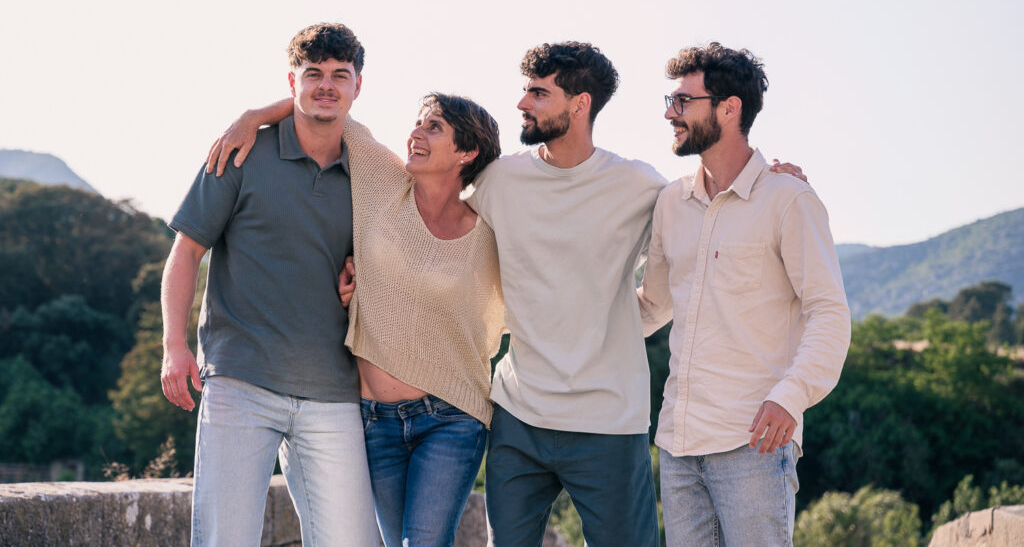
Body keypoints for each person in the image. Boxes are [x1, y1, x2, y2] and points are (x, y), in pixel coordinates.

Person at [209, 92, 505, 547]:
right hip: (372, 419)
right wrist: (253, 116)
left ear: (467, 152)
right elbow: (328, 107)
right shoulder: (382, 181)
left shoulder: (489, 234)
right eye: (419, 121)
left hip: (451, 417)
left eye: (434, 128)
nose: (417, 133)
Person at [160, 23, 379, 547]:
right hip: (241, 381)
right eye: (313, 74)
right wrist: (173, 345)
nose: (326, 85)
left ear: (358, 86)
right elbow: (186, 251)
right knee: (224, 540)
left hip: (333, 391)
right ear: (292, 81)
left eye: (339, 76)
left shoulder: (369, 170)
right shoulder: (240, 153)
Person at [637, 43, 852, 547]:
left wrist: (791, 397)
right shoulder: (671, 202)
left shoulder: (789, 199)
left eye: (683, 101)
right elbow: (654, 306)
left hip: (753, 441)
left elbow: (829, 313)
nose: (671, 112)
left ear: (729, 108)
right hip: (677, 443)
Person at [464, 42, 666, 547]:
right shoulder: (501, 179)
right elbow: (434, 222)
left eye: (538, 92)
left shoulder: (638, 186)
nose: (522, 104)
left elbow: (704, 222)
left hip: (609, 422)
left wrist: (775, 178)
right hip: (518, 415)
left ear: (580, 105)